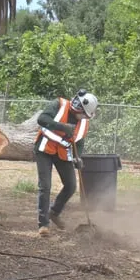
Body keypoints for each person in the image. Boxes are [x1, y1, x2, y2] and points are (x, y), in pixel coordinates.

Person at [33, 89, 99, 236]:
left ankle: (54, 212)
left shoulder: (83, 122)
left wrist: (78, 157)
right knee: (45, 186)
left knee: (70, 186)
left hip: (62, 153)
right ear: (79, 108)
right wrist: (62, 127)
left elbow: (79, 141)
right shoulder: (59, 104)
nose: (85, 117)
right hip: (44, 149)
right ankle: (43, 224)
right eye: (84, 114)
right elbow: (42, 119)